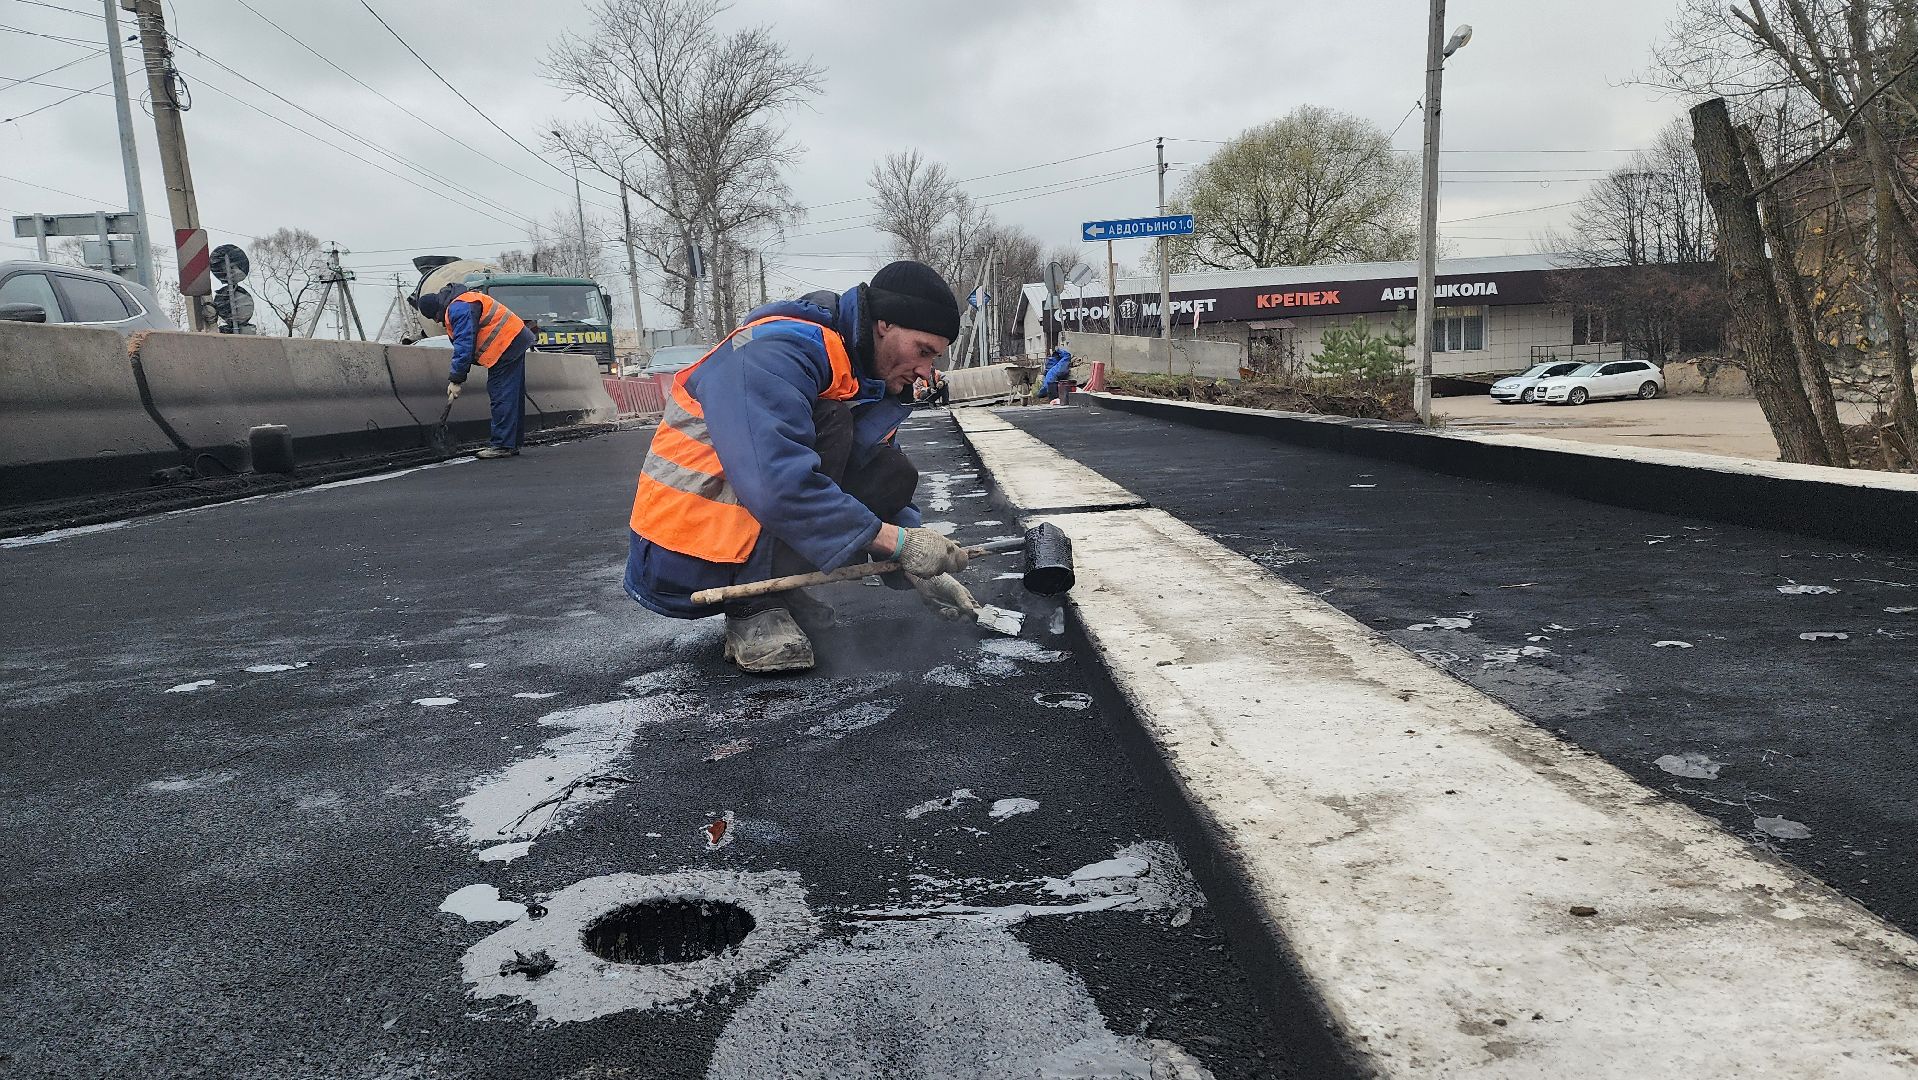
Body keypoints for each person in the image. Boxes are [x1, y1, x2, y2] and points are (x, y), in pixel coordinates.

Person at [623, 260, 977, 674]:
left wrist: (917, 565)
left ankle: (779, 592)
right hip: (689, 546)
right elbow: (777, 482)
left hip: (739, 530)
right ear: (884, 324)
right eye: (923, 351)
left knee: (889, 470)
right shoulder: (773, 354)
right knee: (832, 422)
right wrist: (896, 544)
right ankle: (751, 604)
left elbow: (869, 475)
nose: (926, 370)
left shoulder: (853, 370)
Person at [413, 284, 535, 459]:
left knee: (501, 393)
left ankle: (502, 444)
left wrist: (456, 380)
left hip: (506, 344)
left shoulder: (458, 308)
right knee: (511, 394)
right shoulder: (462, 301)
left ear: (436, 312)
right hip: (514, 339)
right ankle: (511, 442)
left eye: (436, 318)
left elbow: (464, 345)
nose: (438, 322)